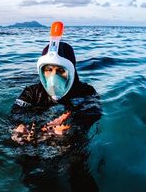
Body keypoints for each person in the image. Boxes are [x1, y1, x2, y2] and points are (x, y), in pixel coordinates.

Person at [10, 22, 102, 191]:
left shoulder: (86, 91)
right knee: (30, 161)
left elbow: (93, 114)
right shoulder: (31, 92)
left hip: (69, 142)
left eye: (60, 71)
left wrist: (71, 128)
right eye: (48, 70)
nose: (53, 77)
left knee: (76, 163)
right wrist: (19, 128)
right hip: (38, 137)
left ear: (71, 70)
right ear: (41, 71)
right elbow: (16, 114)